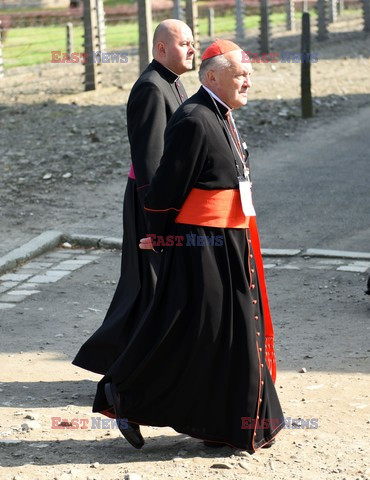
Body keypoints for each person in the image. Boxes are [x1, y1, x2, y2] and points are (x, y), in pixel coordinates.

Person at [92, 39, 284, 452]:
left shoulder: (222, 113)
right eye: (241, 74)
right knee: (196, 329)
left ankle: (224, 425)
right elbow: (163, 188)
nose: (248, 81)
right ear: (213, 76)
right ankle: (122, 394)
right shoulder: (195, 118)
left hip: (230, 240)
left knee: (219, 334)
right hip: (201, 246)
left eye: (250, 74)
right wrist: (159, 234)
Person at [72, 20, 195, 375]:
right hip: (151, 201)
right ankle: (126, 366)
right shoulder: (151, 88)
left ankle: (128, 362)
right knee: (148, 283)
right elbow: (149, 159)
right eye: (184, 43)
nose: (192, 49)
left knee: (149, 286)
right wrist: (157, 214)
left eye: (192, 42)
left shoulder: (172, 81)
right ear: (161, 49)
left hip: (164, 200)